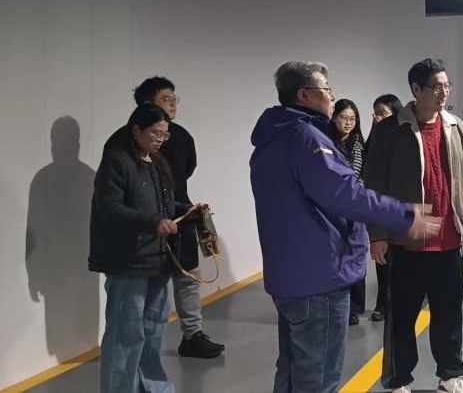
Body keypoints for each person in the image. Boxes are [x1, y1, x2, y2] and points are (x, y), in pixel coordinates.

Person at [250, 61, 440, 393]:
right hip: (319, 276)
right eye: (326, 90)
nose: (332, 96)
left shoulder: (272, 139)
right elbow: (346, 194)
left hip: (289, 276)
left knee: (292, 372)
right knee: (319, 378)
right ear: (304, 94)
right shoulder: (306, 139)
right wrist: (405, 216)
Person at [364, 58, 463, 393]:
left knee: (449, 316)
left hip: (448, 241)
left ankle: (450, 377)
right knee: (401, 319)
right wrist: (378, 234)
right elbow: (374, 185)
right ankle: (398, 381)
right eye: (436, 87)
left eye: (447, 86)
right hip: (406, 243)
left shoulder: (456, 128)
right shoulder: (391, 131)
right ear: (416, 90)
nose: (444, 93)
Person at [104, 76, 225, 358]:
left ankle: (192, 334)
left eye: (174, 98)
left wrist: (179, 209)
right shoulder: (121, 146)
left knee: (186, 276)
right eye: (165, 99)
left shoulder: (179, 137)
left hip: (178, 217)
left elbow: (186, 170)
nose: (173, 104)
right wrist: (150, 218)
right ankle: (134, 360)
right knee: (137, 305)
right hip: (141, 232)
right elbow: (111, 203)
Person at [90, 104, 186, 393]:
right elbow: (109, 208)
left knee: (154, 331)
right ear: (136, 130)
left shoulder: (157, 162)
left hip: (158, 259)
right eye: (155, 133)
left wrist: (188, 210)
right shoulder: (116, 162)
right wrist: (152, 221)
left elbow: (162, 205)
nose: (160, 139)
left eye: (164, 135)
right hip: (128, 261)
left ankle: (153, 388)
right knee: (125, 334)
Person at [329, 99, 368, 326]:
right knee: (336, 257)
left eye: (352, 119)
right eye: (344, 117)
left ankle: (354, 307)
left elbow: (360, 175)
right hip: (333, 210)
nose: (348, 123)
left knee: (355, 256)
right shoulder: (326, 143)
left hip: (354, 207)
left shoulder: (358, 145)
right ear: (334, 118)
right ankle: (338, 305)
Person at [366, 93, 404, 322]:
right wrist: (375, 130)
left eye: (383, 113)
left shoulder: (404, 135)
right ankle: (382, 304)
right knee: (382, 260)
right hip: (382, 209)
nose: (379, 118)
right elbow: (369, 164)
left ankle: (402, 301)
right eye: (376, 114)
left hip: (401, 207)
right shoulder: (377, 136)